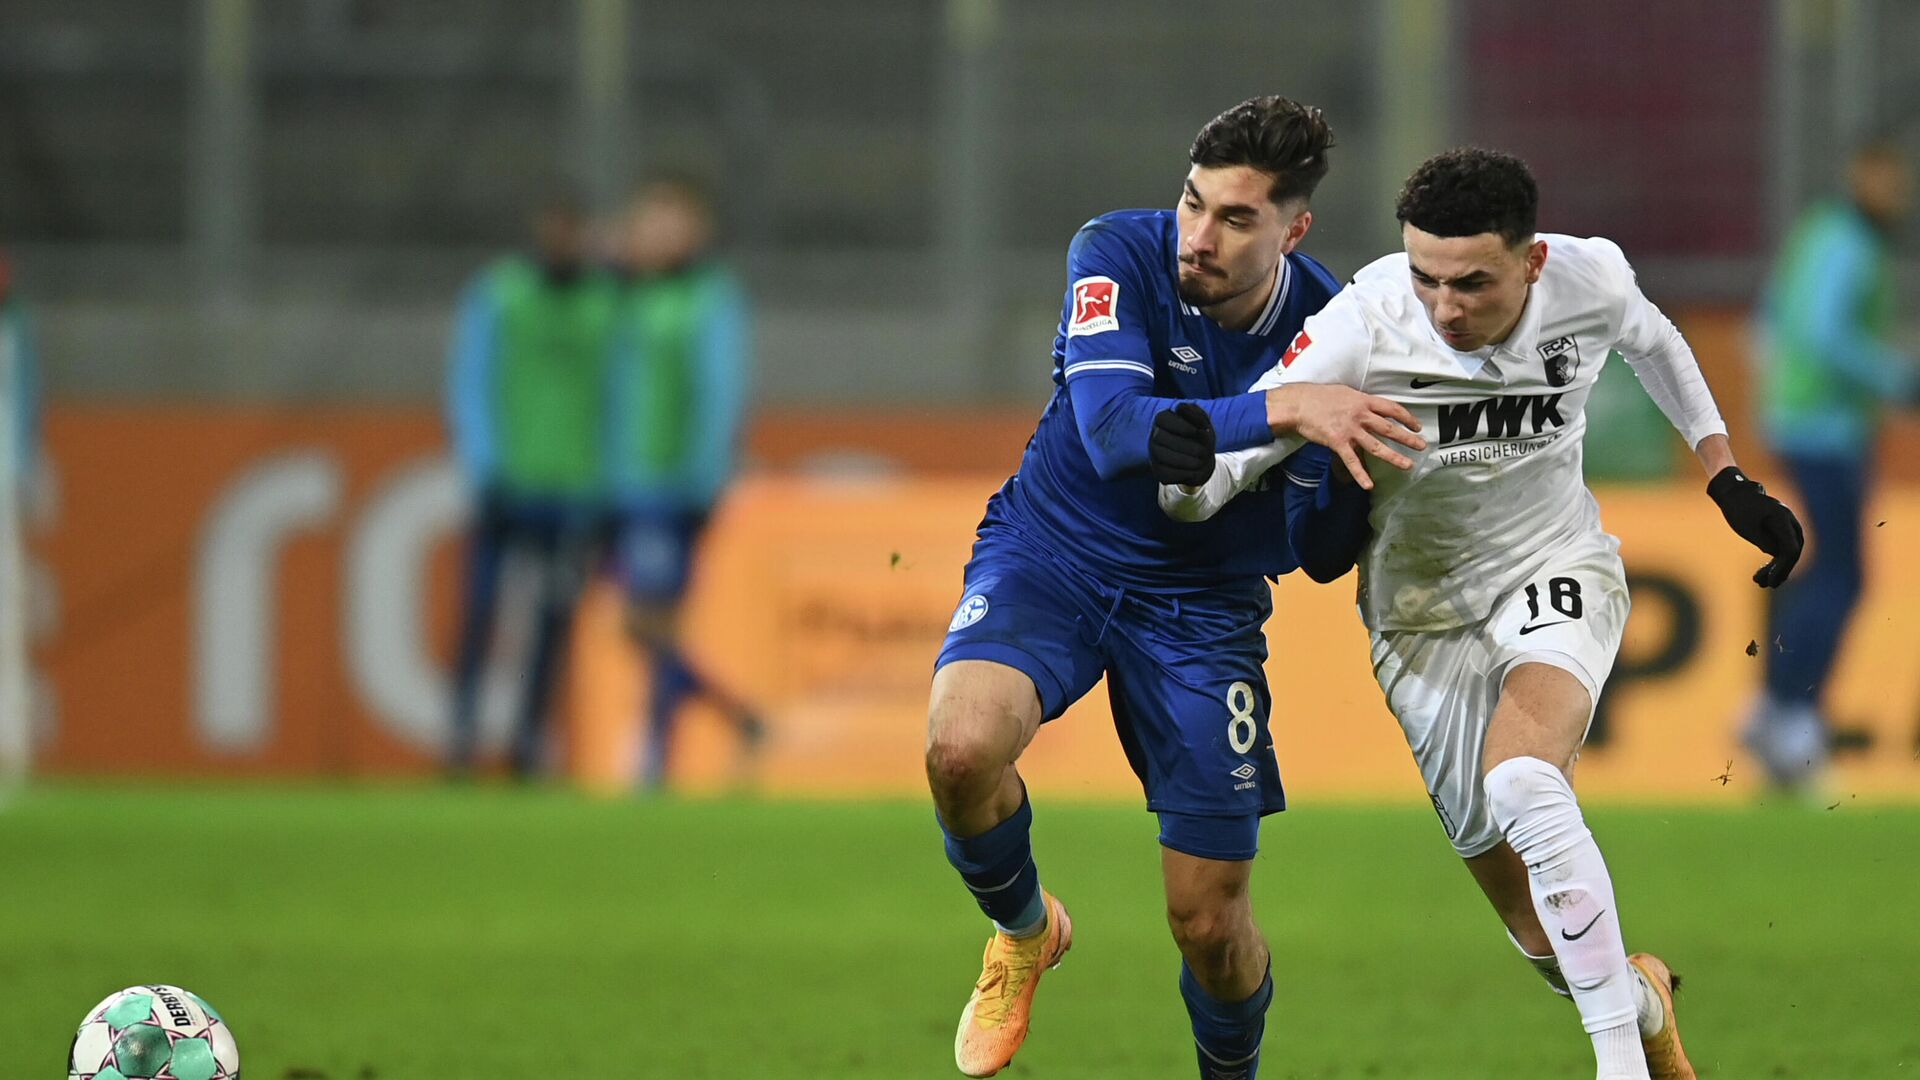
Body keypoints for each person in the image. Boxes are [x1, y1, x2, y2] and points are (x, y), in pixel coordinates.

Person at [1153, 148, 1805, 1080]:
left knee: (1522, 783)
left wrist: (1723, 469)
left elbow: (1655, 341)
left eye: (1472, 282)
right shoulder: (1365, 322)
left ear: (1531, 262)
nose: (1445, 306)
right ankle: (1644, 1007)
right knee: (1544, 942)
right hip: (1420, 621)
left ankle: (1618, 1065)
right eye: (1426, 276)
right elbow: (1225, 470)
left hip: (1556, 562)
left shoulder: (1589, 278)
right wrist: (1183, 471)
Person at [928, 96, 1421, 1080]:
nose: (1199, 235)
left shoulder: (1337, 332)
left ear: (1294, 228)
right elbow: (1114, 430)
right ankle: (1025, 930)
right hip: (1055, 551)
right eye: (1194, 204)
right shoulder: (1114, 251)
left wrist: (1369, 485)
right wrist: (1284, 410)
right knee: (959, 748)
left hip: (1203, 612)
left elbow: (1322, 553)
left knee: (1208, 924)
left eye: (1236, 219)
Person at [1745, 137, 1918, 789]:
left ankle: (1773, 706)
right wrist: (1897, 377)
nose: (1898, 196)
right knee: (1844, 575)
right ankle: (1792, 713)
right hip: (1826, 427)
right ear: (1864, 176)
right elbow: (1823, 331)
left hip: (1797, 419)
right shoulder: (1849, 243)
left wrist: (1772, 393)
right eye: (1891, 180)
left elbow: (1766, 322)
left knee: (1825, 568)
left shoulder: (1815, 234)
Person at [445, 191, 622, 776]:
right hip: (507, 486)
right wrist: (483, 459)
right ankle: (462, 735)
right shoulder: (502, 293)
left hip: (573, 493)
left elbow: (618, 396)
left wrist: (605, 480)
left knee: (553, 620)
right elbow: (472, 376)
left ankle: (527, 738)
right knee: (481, 610)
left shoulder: (605, 303)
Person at [605, 174, 763, 790]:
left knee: (654, 624)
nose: (658, 234)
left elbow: (719, 390)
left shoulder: (708, 297)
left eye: (673, 221)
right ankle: (736, 720)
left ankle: (656, 758)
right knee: (643, 626)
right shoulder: (630, 297)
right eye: (650, 220)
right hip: (629, 484)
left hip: (674, 486)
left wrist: (706, 478)